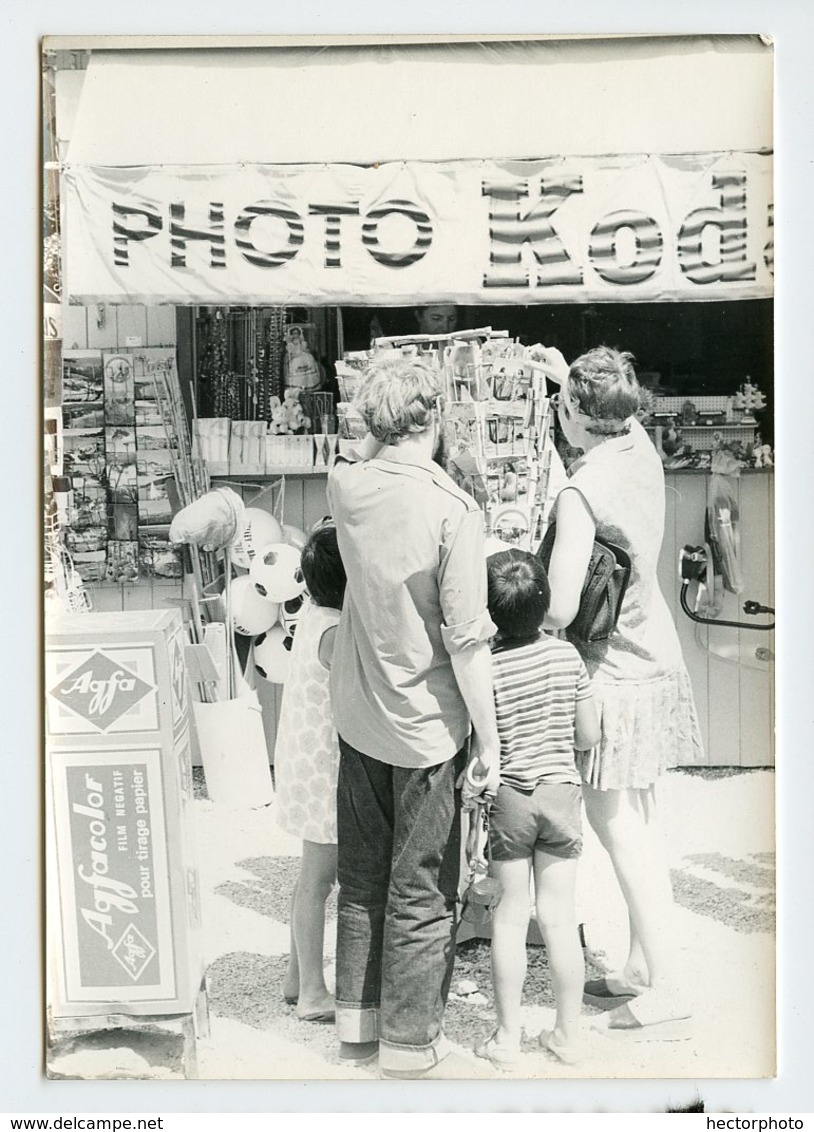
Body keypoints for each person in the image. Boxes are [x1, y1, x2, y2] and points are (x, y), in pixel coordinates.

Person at [327, 351, 500, 1078]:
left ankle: (357, 1031)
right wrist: (490, 741)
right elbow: (467, 644)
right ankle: (408, 1044)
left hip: (358, 713)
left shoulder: (346, 485)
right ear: (435, 419)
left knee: (363, 879)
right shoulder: (454, 511)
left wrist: (379, 422)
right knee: (421, 886)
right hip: (426, 727)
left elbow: (364, 450)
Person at [537, 344, 704, 1039]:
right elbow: (613, 409)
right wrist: (570, 372)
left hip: (612, 675)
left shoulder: (583, 492)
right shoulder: (636, 448)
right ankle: (639, 965)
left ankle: (669, 986)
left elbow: (561, 608)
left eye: (562, 404)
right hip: (656, 656)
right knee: (641, 819)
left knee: (620, 830)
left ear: (578, 413)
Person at [474, 549, 600, 1069]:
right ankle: (567, 1035)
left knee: (507, 920)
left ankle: (507, 1039)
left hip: (509, 799)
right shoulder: (566, 658)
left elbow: (480, 738)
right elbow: (588, 734)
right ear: (546, 602)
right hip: (559, 793)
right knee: (559, 918)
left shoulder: (487, 665)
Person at [275, 521, 347, 1023]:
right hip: (325, 768)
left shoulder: (314, 617)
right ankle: (313, 993)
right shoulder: (337, 631)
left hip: (304, 761)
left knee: (309, 879)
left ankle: (297, 975)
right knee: (319, 882)